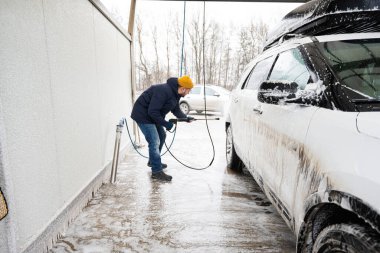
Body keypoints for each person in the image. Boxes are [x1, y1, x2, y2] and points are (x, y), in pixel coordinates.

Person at [131, 76, 195, 182]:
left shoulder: (175, 94)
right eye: (188, 90)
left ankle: (153, 161)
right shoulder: (163, 90)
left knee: (162, 135)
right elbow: (153, 111)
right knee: (154, 140)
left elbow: (176, 109)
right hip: (143, 115)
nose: (188, 93)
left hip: (152, 116)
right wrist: (166, 124)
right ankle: (156, 171)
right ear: (183, 88)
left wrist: (186, 118)